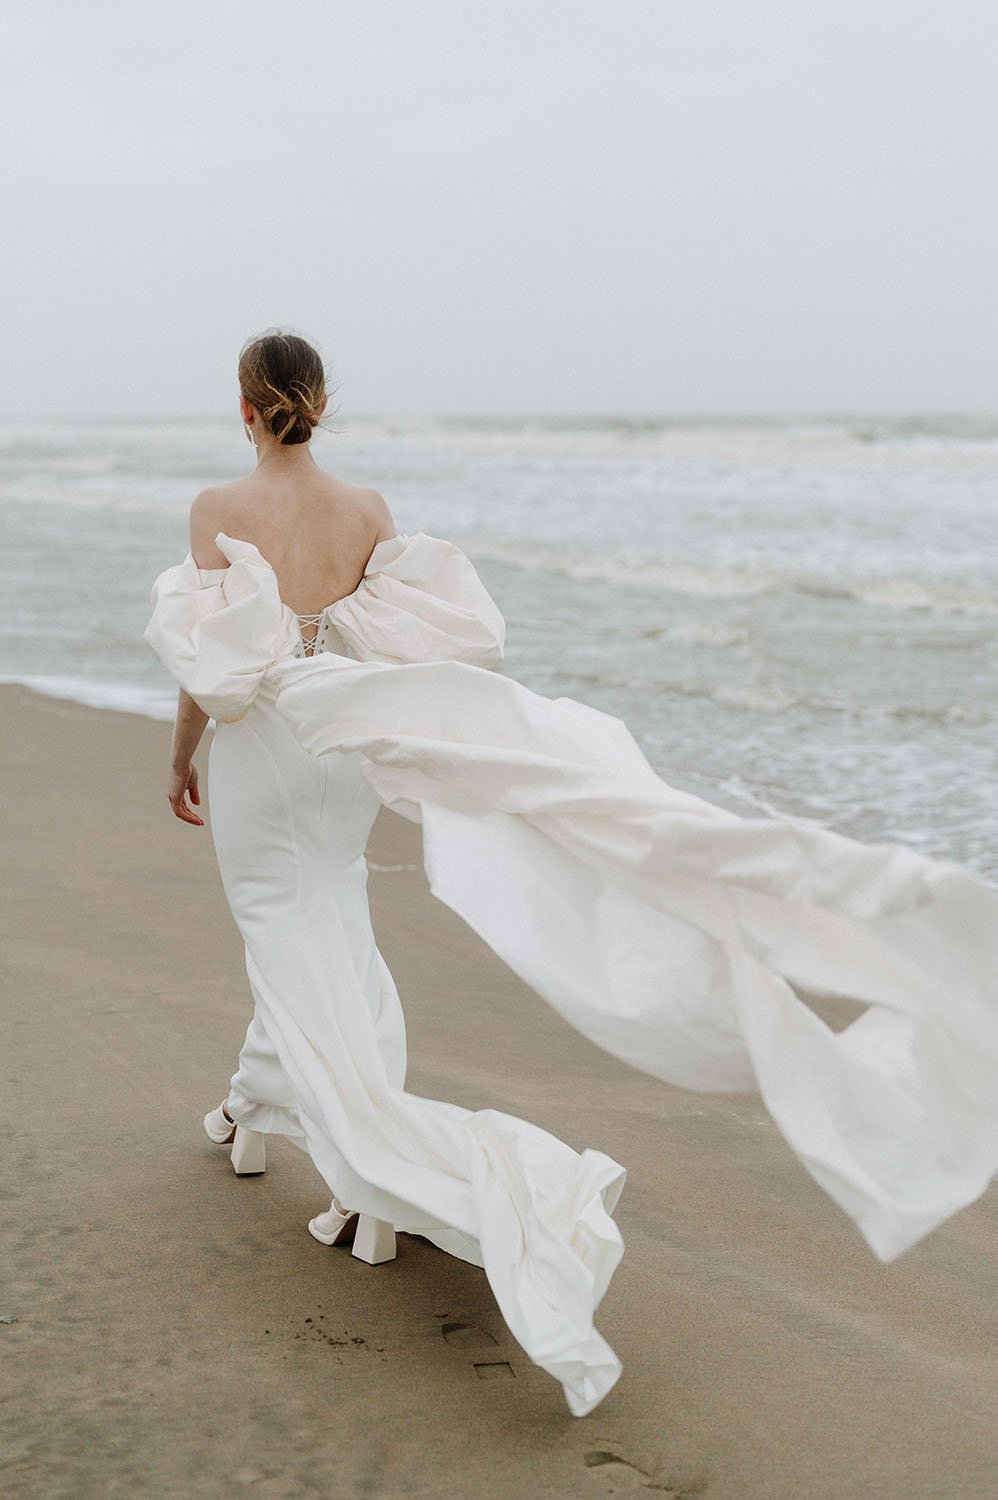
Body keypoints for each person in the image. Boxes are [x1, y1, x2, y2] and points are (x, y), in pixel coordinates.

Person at [146, 328, 998, 1419]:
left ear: (246, 406)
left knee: (288, 930)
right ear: (315, 402)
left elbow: (206, 662)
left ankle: (377, 1166)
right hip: (340, 755)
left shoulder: (215, 506)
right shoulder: (365, 510)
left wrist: (181, 758)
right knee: (329, 917)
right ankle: (245, 1114)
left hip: (265, 750)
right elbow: (397, 644)